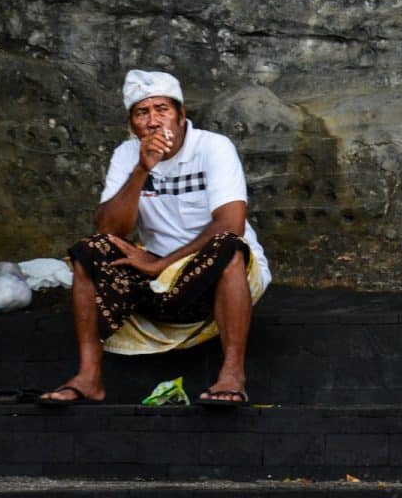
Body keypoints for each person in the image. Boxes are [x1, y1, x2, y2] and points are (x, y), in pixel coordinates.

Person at [39, 70, 270, 405]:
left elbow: (231, 223)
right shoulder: (126, 154)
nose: (153, 121)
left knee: (229, 247)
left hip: (213, 272)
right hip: (158, 275)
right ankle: (89, 377)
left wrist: (161, 262)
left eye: (162, 109)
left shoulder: (213, 147)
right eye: (142, 112)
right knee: (89, 252)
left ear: (181, 114)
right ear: (132, 123)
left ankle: (232, 374)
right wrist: (141, 169)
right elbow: (109, 228)